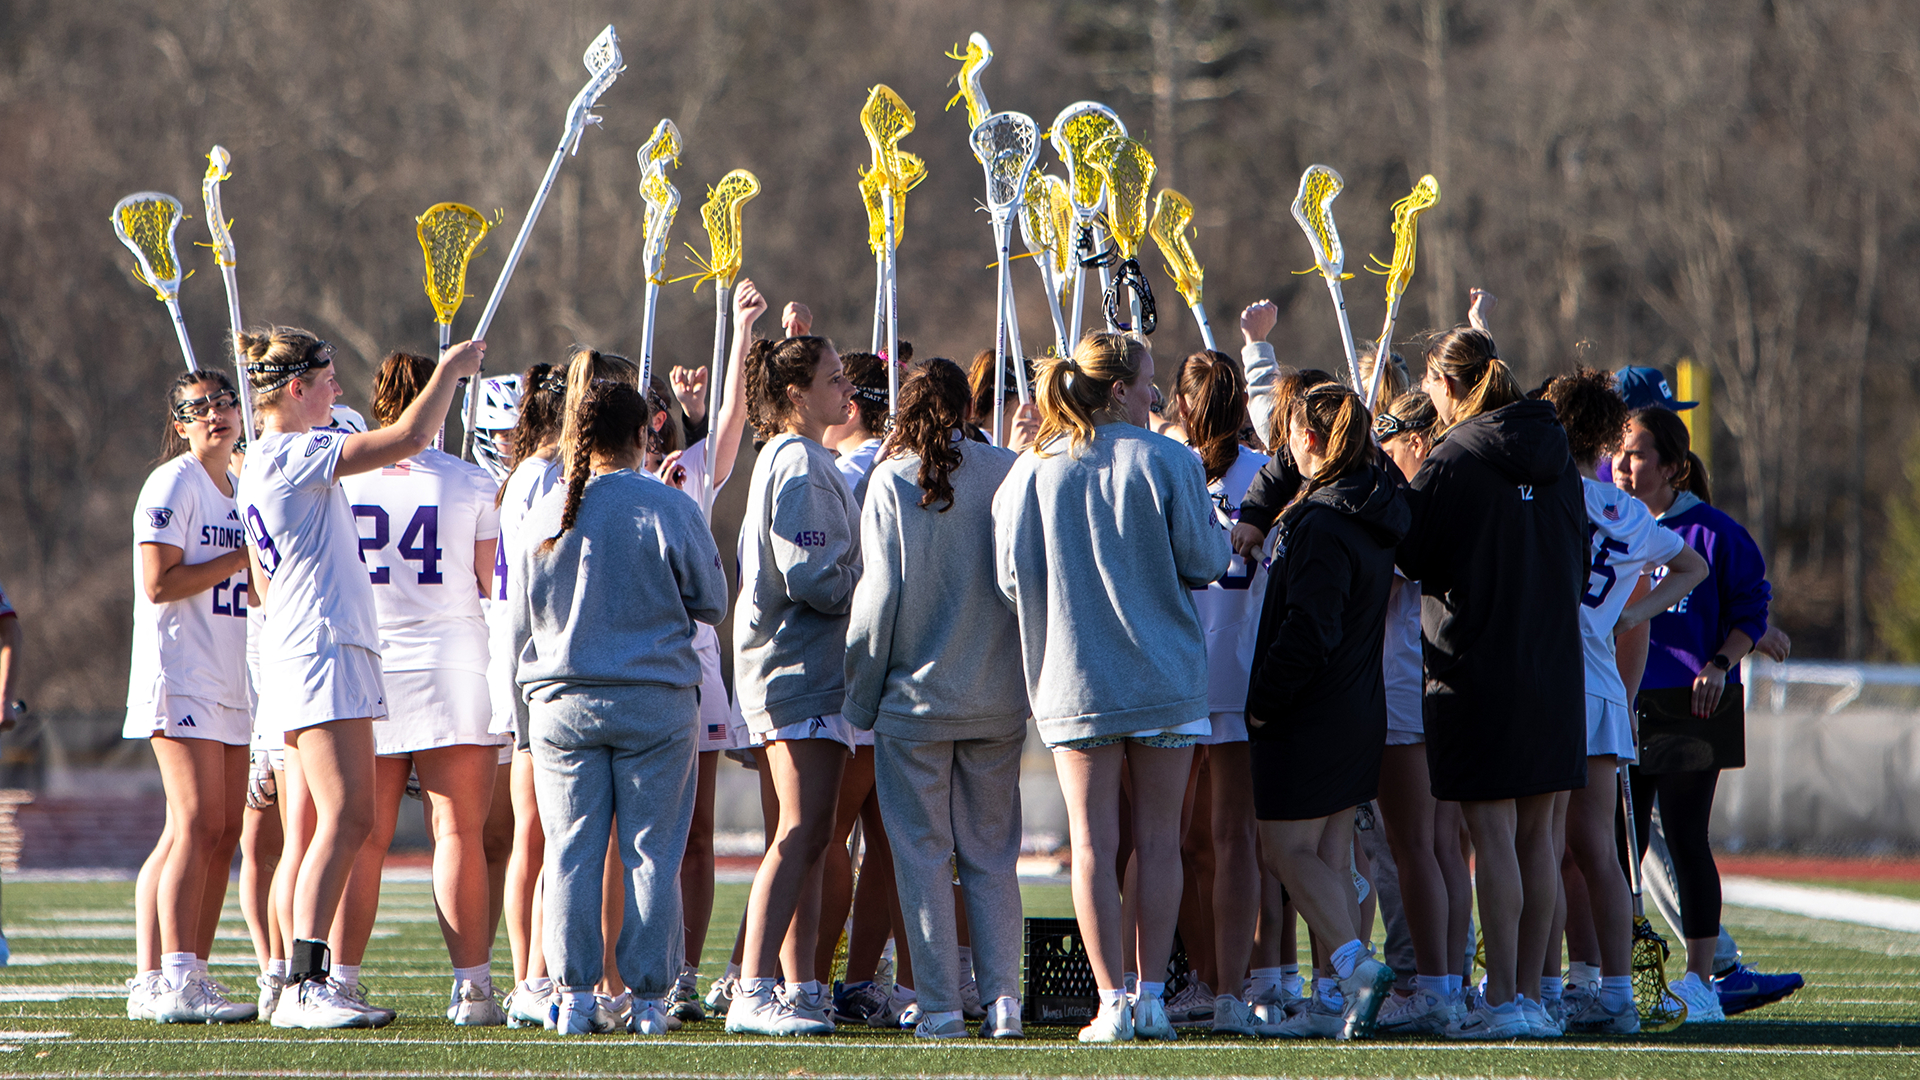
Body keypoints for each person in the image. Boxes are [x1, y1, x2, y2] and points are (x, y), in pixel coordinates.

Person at [236, 327, 482, 1029]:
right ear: (296, 388)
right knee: (344, 819)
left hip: (314, 649)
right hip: (322, 650)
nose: (339, 391)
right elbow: (407, 438)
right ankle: (305, 983)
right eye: (328, 380)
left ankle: (302, 979)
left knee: (342, 820)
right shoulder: (289, 453)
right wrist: (454, 372)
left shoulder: (265, 458)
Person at [992, 331, 1230, 1042]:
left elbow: (1008, 576)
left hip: (1077, 677)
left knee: (1093, 844)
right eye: (1150, 380)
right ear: (1119, 388)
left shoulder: (1036, 466)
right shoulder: (1167, 458)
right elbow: (1208, 559)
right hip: (1164, 676)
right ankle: (1151, 998)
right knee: (1158, 841)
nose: (1158, 393)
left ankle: (1111, 1002)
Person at [509, 374, 727, 1037]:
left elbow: (520, 620)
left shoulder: (547, 508)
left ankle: (572, 995)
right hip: (654, 700)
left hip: (562, 703)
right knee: (652, 852)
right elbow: (712, 602)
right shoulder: (666, 505)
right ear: (643, 434)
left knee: (569, 852)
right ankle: (651, 1000)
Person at [1396, 326, 1587, 1039]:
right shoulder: (1560, 455)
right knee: (1538, 838)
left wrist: (1408, 477)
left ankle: (1502, 999)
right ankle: (1534, 998)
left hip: (1478, 670)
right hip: (1554, 669)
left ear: (1449, 385)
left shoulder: (1454, 455)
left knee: (1494, 837)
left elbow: (1411, 554)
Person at [845, 358, 1025, 1039]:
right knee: (990, 853)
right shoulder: (1006, 469)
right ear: (967, 406)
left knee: (921, 855)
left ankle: (944, 1006)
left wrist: (862, 695)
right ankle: (1003, 1000)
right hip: (994, 695)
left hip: (914, 702)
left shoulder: (889, 481)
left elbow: (880, 597)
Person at [1612, 405, 1802, 1020]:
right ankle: (1612, 976)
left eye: (1637, 453)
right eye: (1619, 451)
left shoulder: (1716, 532)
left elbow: (1751, 611)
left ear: (1673, 466)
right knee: (1620, 845)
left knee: (1687, 838)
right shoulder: (1607, 524)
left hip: (1691, 705)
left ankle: (1699, 983)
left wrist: (1718, 664)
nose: (1623, 464)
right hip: (1620, 701)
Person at [338, 352, 510, 1025]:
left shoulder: (344, 482)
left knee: (363, 837)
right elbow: (491, 584)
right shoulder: (471, 482)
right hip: (453, 664)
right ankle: (473, 989)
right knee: (458, 832)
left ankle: (342, 979)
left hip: (371, 667)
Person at [1543, 371, 1710, 1034]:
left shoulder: (1550, 497)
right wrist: (1626, 614)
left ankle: (1541, 988)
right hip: (1603, 687)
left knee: (1541, 843)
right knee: (1597, 848)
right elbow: (1692, 567)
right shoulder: (1631, 513)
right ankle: (1613, 992)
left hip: (1555, 683)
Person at [1246, 382, 1408, 1040]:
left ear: (1311, 441)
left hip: (1311, 709)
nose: (1283, 448)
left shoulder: (1322, 521)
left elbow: (1309, 629)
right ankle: (1338, 995)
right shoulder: (1370, 504)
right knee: (1331, 854)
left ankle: (1352, 968)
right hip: (1355, 706)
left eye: (1291, 437)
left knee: (1284, 851)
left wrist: (1264, 701)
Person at [726, 335, 860, 1036]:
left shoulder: (800, 457)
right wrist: (869, 590)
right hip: (798, 669)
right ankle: (752, 988)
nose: (848, 392)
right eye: (835, 380)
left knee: (811, 838)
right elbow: (810, 575)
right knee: (802, 831)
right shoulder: (801, 462)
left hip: (801, 668)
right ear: (796, 395)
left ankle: (802, 984)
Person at [123, 371, 256, 1024]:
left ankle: (184, 973)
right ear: (179, 424)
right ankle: (171, 974)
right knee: (199, 820)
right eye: (198, 409)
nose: (216, 415)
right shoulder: (174, 483)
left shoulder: (241, 486)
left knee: (221, 830)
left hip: (232, 676)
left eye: (225, 401)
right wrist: (242, 559)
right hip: (182, 673)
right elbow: (159, 582)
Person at [657, 280, 765, 1022]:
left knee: (696, 836)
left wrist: (741, 330)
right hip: (634, 672)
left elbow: (731, 420)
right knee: (633, 834)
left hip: (694, 668)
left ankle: (685, 973)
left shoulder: (689, 473)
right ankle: (617, 973)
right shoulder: (599, 483)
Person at [1169, 349, 1267, 1036]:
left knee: (1170, 840)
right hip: (1240, 670)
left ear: (1182, 403)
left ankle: (1199, 980)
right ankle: (1230, 987)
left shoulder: (1162, 465)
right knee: (1232, 841)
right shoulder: (1267, 474)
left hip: (1174, 671)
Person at [487, 361, 568, 1027]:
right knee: (537, 838)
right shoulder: (545, 477)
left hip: (525, 664)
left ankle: (529, 977)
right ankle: (529, 976)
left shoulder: (529, 476)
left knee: (534, 838)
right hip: (534, 666)